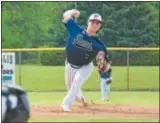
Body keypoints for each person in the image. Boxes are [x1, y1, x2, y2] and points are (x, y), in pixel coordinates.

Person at [61, 9, 111, 111]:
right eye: (93, 21)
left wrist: (103, 72)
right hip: (69, 65)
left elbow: (104, 62)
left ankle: (66, 104)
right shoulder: (76, 29)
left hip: (85, 66)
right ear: (88, 22)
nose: (95, 24)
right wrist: (72, 11)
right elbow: (65, 16)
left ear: (100, 26)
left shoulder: (99, 44)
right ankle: (81, 98)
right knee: (74, 92)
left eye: (98, 23)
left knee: (78, 80)